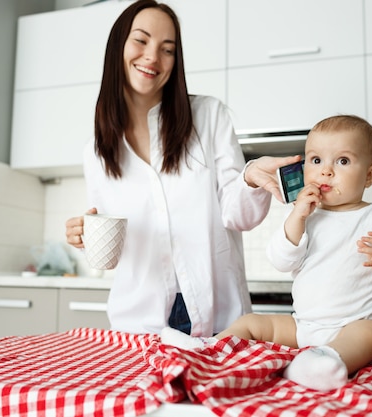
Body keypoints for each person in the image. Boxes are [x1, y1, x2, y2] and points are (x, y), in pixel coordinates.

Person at [64, 0, 300, 337]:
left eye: (167, 49)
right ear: (118, 45)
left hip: (220, 317)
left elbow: (239, 216)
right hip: (139, 323)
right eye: (141, 41)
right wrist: (87, 237)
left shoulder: (209, 116)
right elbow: (113, 251)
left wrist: (249, 178)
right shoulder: (97, 152)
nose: (152, 57)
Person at [161, 115, 372, 391]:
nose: (326, 171)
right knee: (251, 323)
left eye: (343, 161)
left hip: (354, 325)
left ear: (369, 175)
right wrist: (297, 218)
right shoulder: (305, 215)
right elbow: (280, 260)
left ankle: (326, 362)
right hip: (303, 326)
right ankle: (208, 347)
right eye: (316, 160)